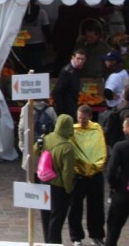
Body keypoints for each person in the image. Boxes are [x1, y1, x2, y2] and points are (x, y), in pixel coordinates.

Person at [37, 113, 78, 245]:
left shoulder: (47, 137)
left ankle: (47, 241)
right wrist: (69, 189)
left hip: (44, 181)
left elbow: (34, 150)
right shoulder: (68, 147)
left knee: (45, 215)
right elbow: (67, 173)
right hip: (58, 186)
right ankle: (54, 243)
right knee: (57, 218)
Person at [69, 104, 107, 246]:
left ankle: (97, 235)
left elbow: (100, 148)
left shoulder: (96, 129)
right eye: (79, 118)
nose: (81, 121)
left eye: (84, 118)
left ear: (90, 117)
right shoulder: (73, 130)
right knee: (75, 206)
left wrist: (96, 165)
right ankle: (76, 237)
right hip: (78, 174)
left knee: (96, 206)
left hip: (95, 174)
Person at [107, 114, 129, 245]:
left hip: (122, 190)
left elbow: (111, 171)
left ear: (126, 129)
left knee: (113, 227)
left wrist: (113, 185)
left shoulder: (120, 147)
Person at [55, 50, 88, 122]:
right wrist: (61, 110)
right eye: (78, 58)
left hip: (73, 105)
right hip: (66, 107)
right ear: (72, 58)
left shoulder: (77, 70)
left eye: (82, 59)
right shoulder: (67, 71)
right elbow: (57, 91)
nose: (80, 61)